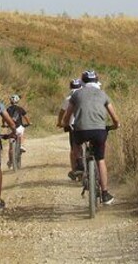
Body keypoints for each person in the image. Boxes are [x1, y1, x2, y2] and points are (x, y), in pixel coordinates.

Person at [62, 70, 121, 205]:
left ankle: (78, 167)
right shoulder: (103, 94)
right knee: (100, 160)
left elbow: (67, 116)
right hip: (99, 131)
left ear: (83, 82)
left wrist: (66, 125)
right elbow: (114, 117)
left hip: (81, 131)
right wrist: (116, 125)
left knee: (76, 144)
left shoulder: (76, 94)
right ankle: (105, 193)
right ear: (96, 82)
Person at [56, 78, 84, 180]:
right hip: (87, 124)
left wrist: (60, 122)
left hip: (73, 125)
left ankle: (74, 170)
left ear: (70, 87)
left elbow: (62, 112)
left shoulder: (68, 98)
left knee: (74, 149)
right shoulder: (84, 96)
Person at [5, 94, 30, 168]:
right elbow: (25, 117)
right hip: (19, 127)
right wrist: (28, 123)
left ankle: (10, 160)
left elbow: (4, 118)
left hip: (10, 128)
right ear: (18, 101)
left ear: (10, 101)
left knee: (10, 147)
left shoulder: (8, 109)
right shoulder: (20, 109)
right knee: (21, 132)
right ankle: (21, 145)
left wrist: (3, 124)